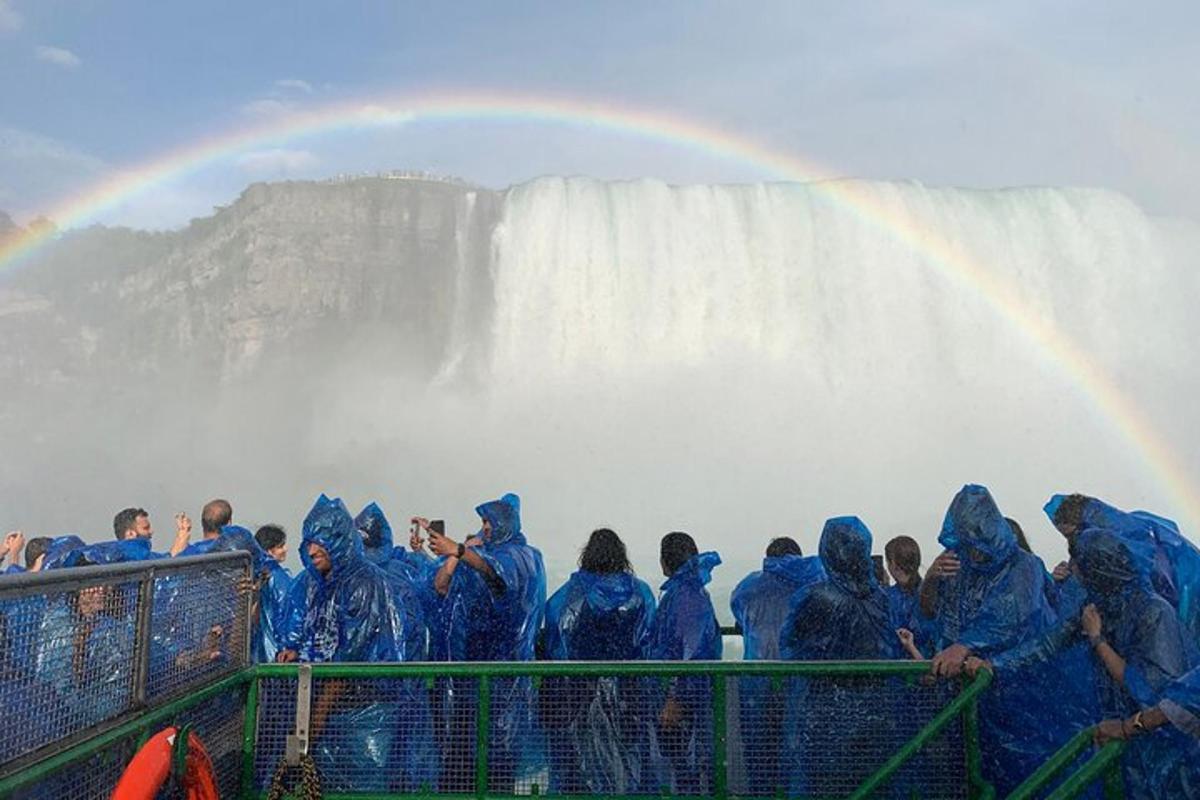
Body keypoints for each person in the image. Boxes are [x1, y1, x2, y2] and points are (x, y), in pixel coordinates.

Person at [972, 529, 1200, 797]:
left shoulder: (1153, 612)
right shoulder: (1099, 604)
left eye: (1079, 563)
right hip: (1125, 738)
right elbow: (1048, 644)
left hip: (1165, 746)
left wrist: (1098, 640)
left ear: (1099, 569)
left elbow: (1154, 691)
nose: (1073, 570)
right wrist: (994, 664)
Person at [276, 495, 432, 792]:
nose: (310, 551)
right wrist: (296, 650)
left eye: (319, 542)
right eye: (308, 542)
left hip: (365, 716)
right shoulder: (319, 582)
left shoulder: (364, 583)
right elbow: (320, 637)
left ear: (337, 541)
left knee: (361, 788)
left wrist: (312, 725)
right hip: (331, 711)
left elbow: (349, 661)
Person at [926, 485, 1061, 795]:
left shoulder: (1024, 566)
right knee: (978, 775)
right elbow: (933, 615)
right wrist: (931, 579)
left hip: (1023, 694)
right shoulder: (960, 567)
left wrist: (964, 646)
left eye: (976, 537)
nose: (972, 548)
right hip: (972, 697)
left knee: (1028, 777)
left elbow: (1013, 618)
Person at [414, 495, 546, 793]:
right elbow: (439, 586)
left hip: (503, 678)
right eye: (483, 522)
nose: (485, 528)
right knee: (460, 763)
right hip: (468, 676)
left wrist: (460, 550)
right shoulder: (480, 556)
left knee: (496, 763)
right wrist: (453, 555)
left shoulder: (523, 555)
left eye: (489, 522)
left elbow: (497, 575)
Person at [779, 517, 902, 797]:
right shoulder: (882, 599)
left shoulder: (815, 598)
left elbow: (790, 648)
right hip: (878, 714)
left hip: (824, 718)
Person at [541, 528, 656, 794]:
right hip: (629, 694)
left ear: (587, 555)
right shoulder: (640, 593)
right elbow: (649, 641)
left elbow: (554, 640)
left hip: (575, 696)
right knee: (626, 768)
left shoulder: (570, 595)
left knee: (579, 769)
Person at [1046, 493, 1200, 642]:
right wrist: (1060, 584)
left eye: (1074, 535)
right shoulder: (1125, 539)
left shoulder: (1140, 549)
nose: (1073, 543)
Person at [645, 532, 722, 796]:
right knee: (686, 766)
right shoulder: (691, 591)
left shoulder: (685, 596)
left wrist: (674, 698)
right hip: (688, 698)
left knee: (688, 768)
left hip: (684, 703)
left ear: (665, 561)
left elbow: (689, 652)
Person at [355, 502, 427, 661]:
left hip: (366, 671)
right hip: (411, 664)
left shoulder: (351, 575)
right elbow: (433, 583)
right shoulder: (405, 570)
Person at [884, 535, 935, 657]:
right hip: (931, 666)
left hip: (895, 671)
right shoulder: (932, 594)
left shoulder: (885, 597)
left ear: (893, 565)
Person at [113, 506, 191, 557]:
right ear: (130, 534)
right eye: (145, 528)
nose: (151, 531)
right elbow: (167, 563)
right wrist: (183, 532)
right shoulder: (136, 556)